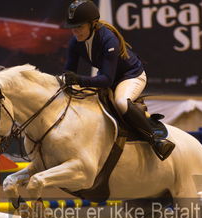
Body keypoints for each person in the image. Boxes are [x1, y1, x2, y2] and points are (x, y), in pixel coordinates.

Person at [62, 0, 175, 160]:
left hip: (131, 76)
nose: (75, 31)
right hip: (108, 76)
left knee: (121, 102)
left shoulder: (108, 39)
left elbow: (106, 80)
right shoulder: (75, 42)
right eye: (73, 27)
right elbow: (69, 71)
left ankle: (155, 140)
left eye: (79, 27)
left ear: (93, 24)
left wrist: (79, 79)